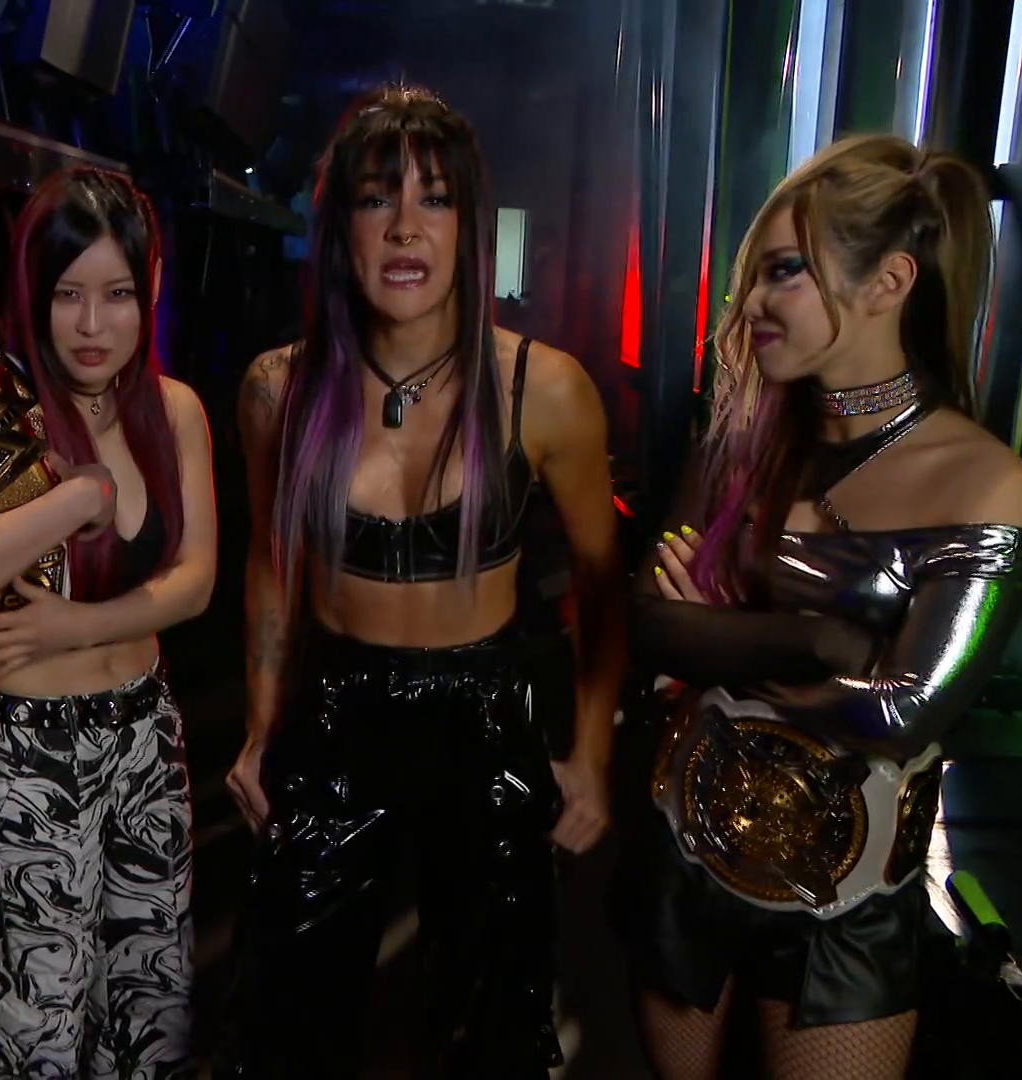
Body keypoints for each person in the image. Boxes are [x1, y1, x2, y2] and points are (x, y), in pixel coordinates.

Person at [216, 83, 625, 1078]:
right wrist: (262, 729)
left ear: (469, 228)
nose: (405, 227)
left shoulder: (545, 389)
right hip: (336, 704)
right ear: (340, 230)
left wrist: (591, 754)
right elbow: (270, 562)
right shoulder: (279, 388)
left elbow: (604, 586)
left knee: (493, 1026)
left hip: (483, 709)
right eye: (376, 198)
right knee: (284, 1019)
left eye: (434, 199)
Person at [615, 133, 1022, 1080]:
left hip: (848, 904)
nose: (751, 304)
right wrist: (822, 639)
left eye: (784, 273)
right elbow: (648, 624)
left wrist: (721, 637)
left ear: (889, 282)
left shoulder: (987, 482)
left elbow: (902, 712)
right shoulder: (739, 439)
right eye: (755, 277)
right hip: (688, 854)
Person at [0, 167, 214, 1078]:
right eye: (69, 294)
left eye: (117, 295)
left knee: (153, 1010)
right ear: (34, 293)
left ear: (150, 289)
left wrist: (71, 627)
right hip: (20, 754)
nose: (92, 324)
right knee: (39, 1027)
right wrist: (74, 500)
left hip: (144, 736)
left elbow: (195, 583)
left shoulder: (174, 411)